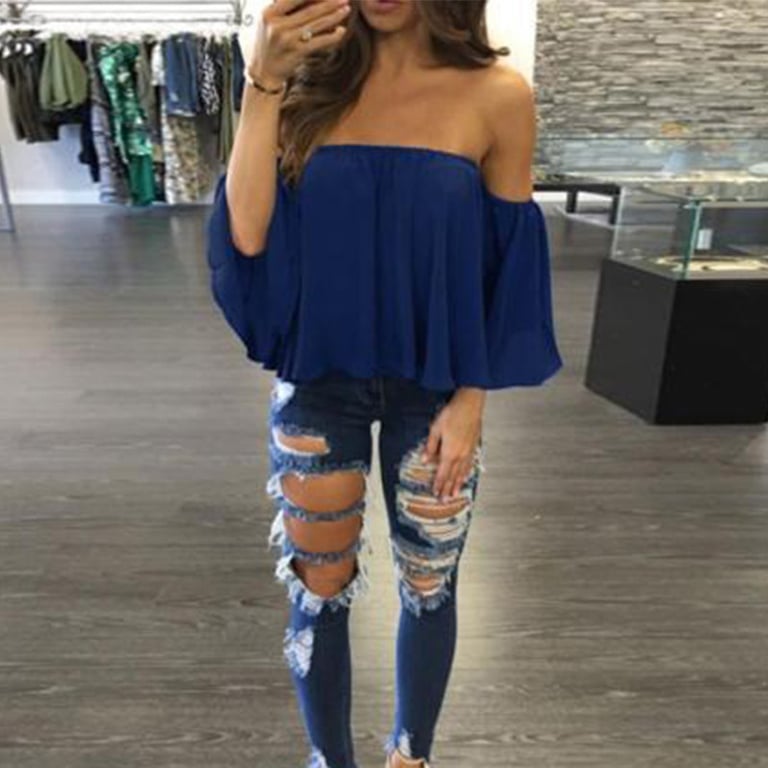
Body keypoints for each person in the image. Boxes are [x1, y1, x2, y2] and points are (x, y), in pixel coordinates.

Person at [206, 1, 564, 767]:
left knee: (430, 585)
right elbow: (247, 233)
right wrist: (262, 82)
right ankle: (329, 760)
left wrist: (472, 399)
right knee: (318, 588)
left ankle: (411, 757)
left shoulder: (498, 95)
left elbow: (503, 265)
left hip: (435, 388)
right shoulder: (300, 83)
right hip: (318, 380)